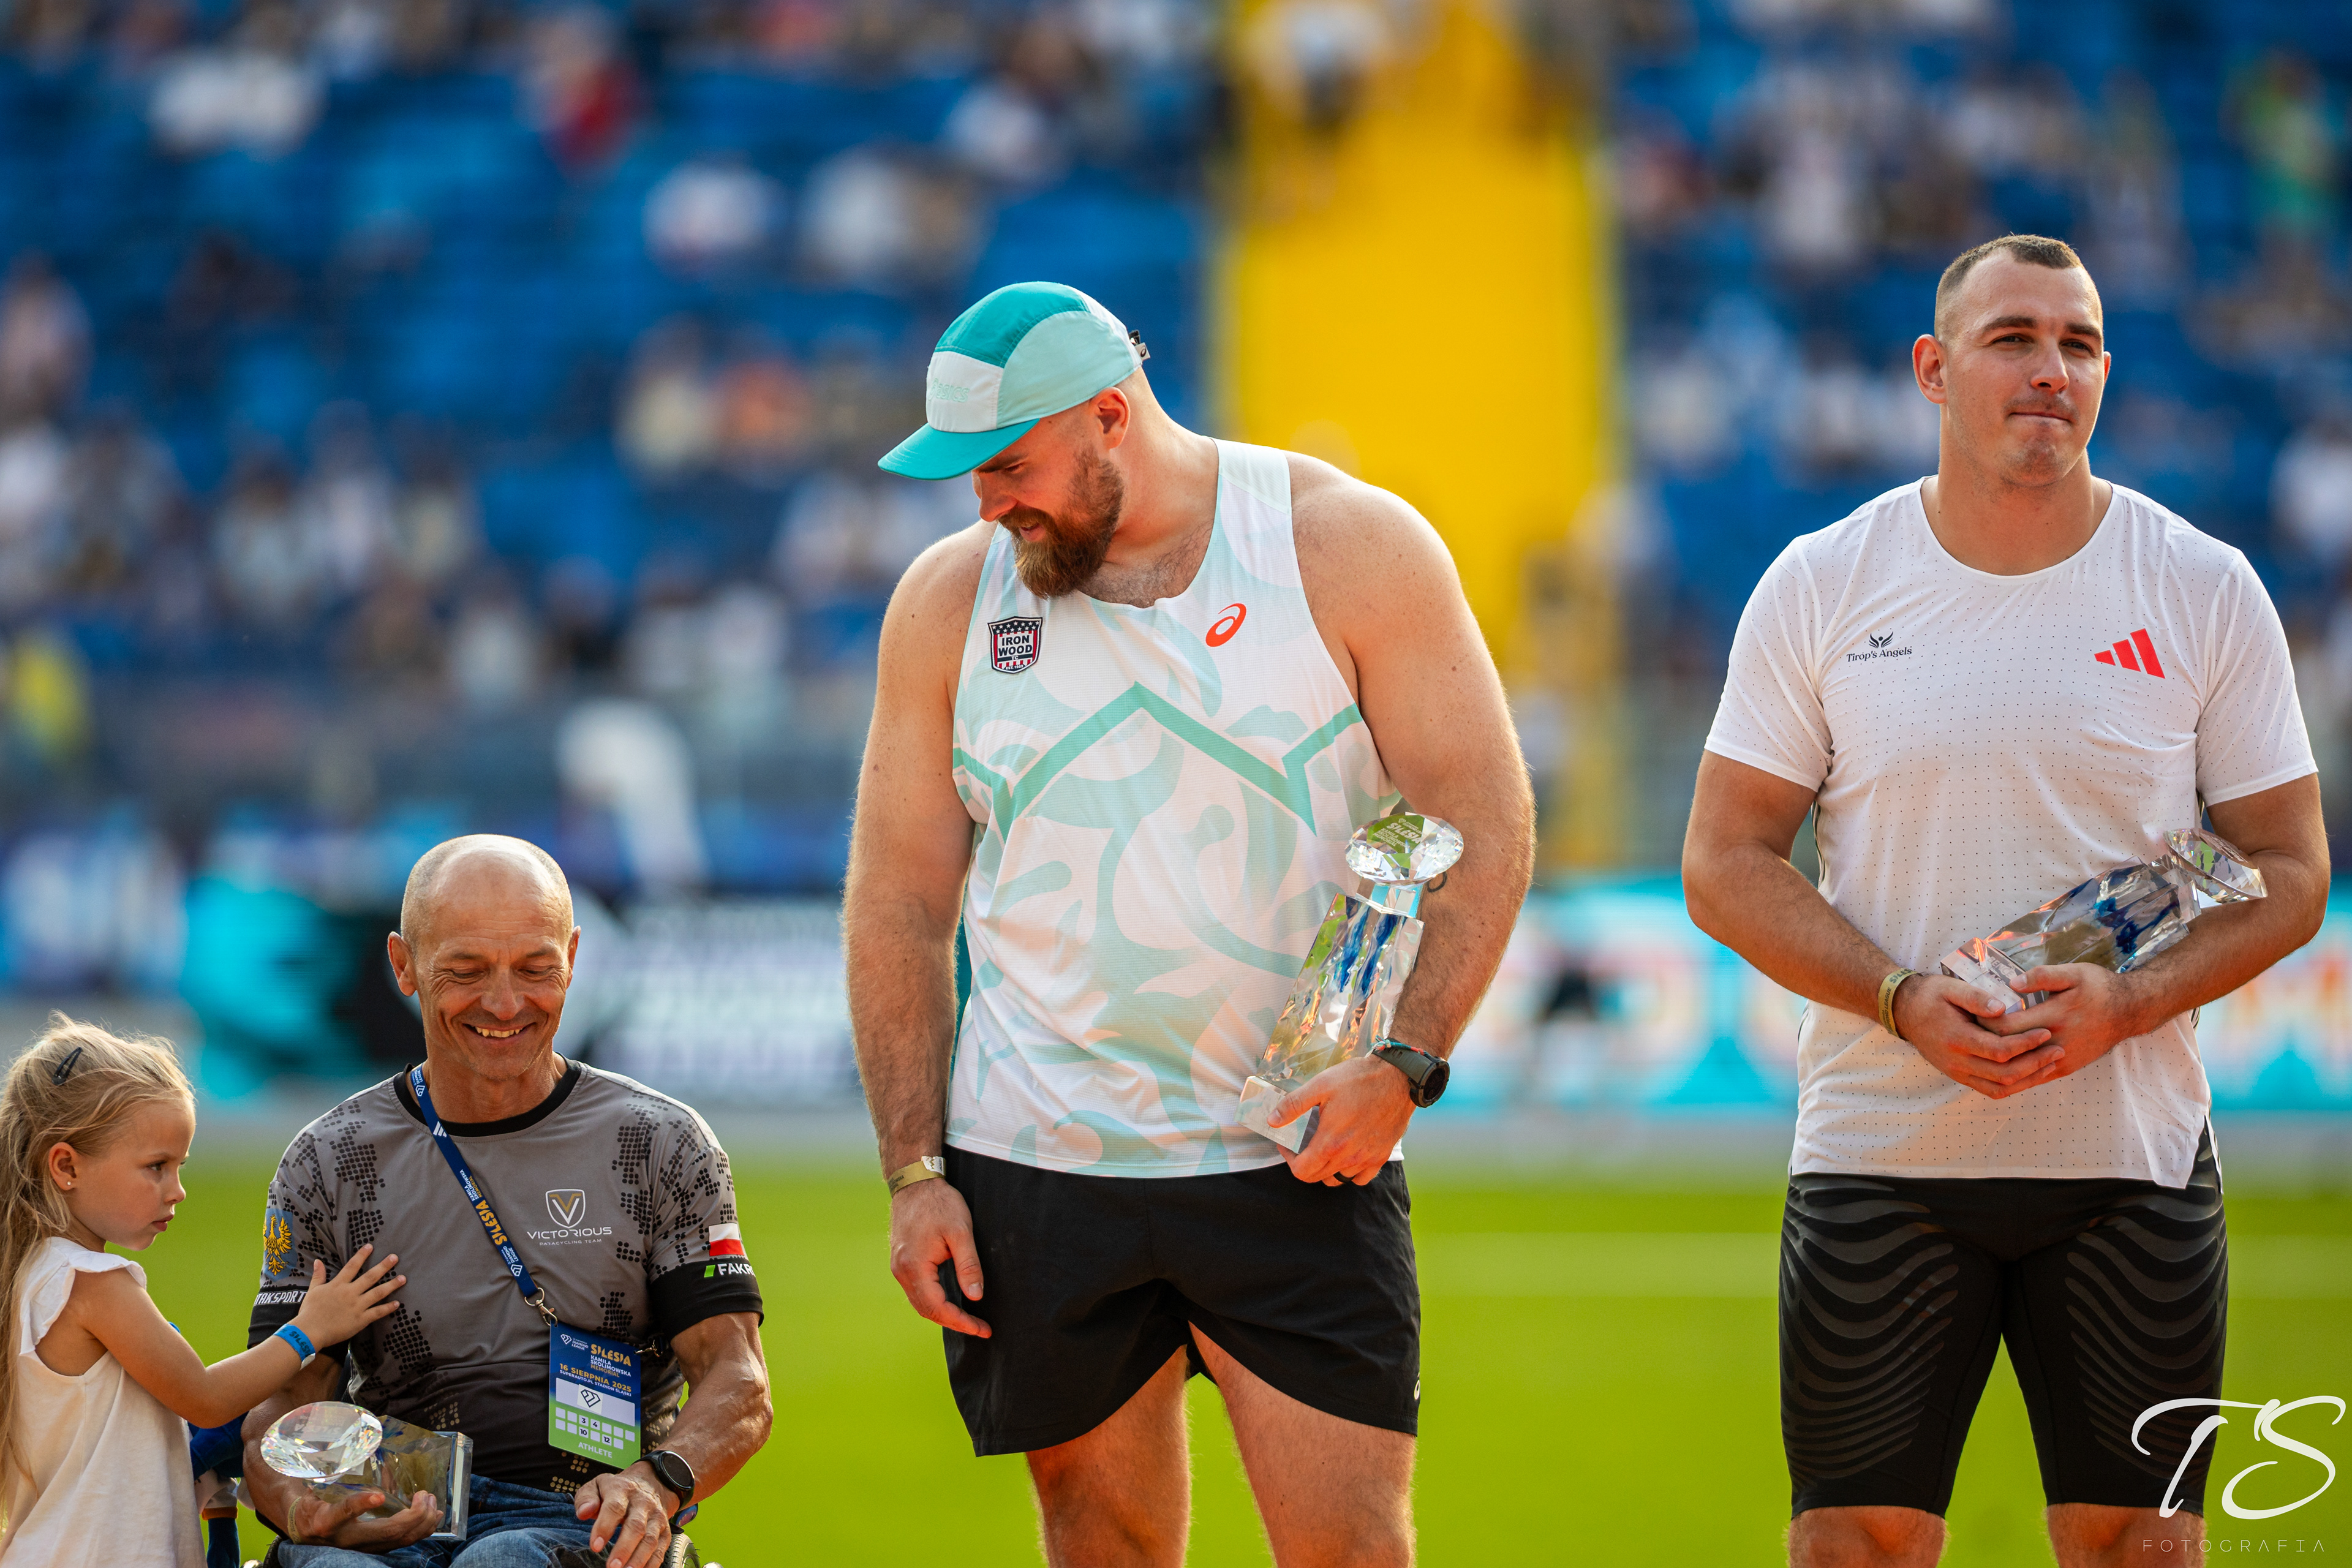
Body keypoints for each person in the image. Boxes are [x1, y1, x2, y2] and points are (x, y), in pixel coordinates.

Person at [845, 280, 1534, 1568]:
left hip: (1295, 1151)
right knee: (1099, 1544)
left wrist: (1406, 1062)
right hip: (1037, 1163)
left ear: (1112, 415)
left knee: (1350, 1551)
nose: (987, 505)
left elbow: (1477, 819)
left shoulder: (1345, 545)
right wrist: (914, 1170)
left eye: (1008, 466)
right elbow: (899, 899)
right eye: (970, 475)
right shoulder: (947, 601)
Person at [1681, 234, 2329, 1568]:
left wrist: (2130, 1003)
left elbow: (2293, 867)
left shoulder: (2203, 587)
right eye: (2014, 339)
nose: (2051, 370)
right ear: (1933, 369)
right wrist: (1898, 999)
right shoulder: (1824, 582)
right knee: (1856, 1543)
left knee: (2139, 1546)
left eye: (2078, 343)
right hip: (1883, 1155)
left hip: (2131, 1161)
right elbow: (1725, 859)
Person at [239, 835, 773, 1567]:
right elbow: (278, 1411)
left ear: (574, 957)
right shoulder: (328, 1162)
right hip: (393, 1513)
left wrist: (658, 1481)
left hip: (583, 1515)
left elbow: (737, 1380)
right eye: (465, 971)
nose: (504, 1002)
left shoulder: (662, 1143)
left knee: (503, 1561)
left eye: (535, 968)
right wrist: (305, 1507)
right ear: (404, 965)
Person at [0, 1016, 401, 1567]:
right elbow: (206, 1399)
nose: (179, 1191)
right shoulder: (93, 1283)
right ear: (67, 1166)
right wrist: (311, 1329)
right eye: (156, 1167)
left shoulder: (30, 1274)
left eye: (180, 1166)